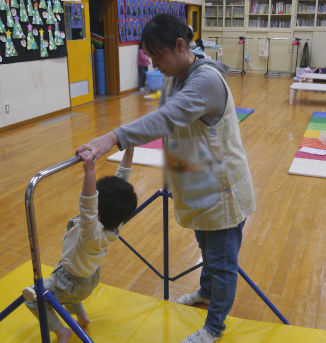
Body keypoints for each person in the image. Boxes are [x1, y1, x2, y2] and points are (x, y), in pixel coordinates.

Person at [76, 14, 255, 343]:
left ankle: (214, 328)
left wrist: (114, 137)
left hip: (223, 186)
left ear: (180, 46)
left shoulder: (207, 80)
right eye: (149, 58)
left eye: (157, 57)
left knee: (222, 258)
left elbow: (169, 118)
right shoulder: (178, 72)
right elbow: (173, 127)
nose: (154, 65)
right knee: (205, 246)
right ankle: (205, 292)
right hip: (199, 179)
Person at [23, 148, 137, 343]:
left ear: (97, 214)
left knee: (34, 301)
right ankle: (82, 318)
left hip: (72, 281)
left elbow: (88, 203)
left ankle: (62, 331)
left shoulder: (91, 232)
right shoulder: (116, 222)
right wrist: (129, 150)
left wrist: (89, 170)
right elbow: (122, 179)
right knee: (68, 293)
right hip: (89, 275)